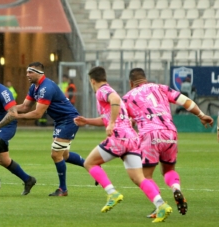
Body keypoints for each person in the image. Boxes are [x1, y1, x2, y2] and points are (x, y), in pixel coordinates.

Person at [73, 66, 172, 223]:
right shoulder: (111, 93)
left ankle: (111, 192)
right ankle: (161, 205)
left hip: (119, 137)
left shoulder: (103, 91)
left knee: (90, 163)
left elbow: (115, 100)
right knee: (138, 178)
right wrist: (87, 121)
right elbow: (107, 116)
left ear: (92, 81)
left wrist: (111, 124)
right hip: (132, 138)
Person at [122, 68, 213, 218]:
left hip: (150, 134)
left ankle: (160, 205)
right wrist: (201, 115)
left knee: (145, 176)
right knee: (168, 170)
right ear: (145, 79)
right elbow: (185, 101)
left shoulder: (127, 98)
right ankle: (176, 188)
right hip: (170, 133)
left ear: (131, 83)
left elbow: (125, 121)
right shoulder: (161, 88)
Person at [12, 62, 86, 196]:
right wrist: (7, 108)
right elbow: (25, 106)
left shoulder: (46, 88)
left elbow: (37, 114)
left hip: (69, 120)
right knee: (64, 155)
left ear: (40, 73)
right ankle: (91, 165)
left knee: (56, 154)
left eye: (31, 72)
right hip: (60, 121)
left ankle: (63, 189)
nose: (27, 74)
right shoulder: (34, 87)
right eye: (27, 72)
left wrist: (15, 117)